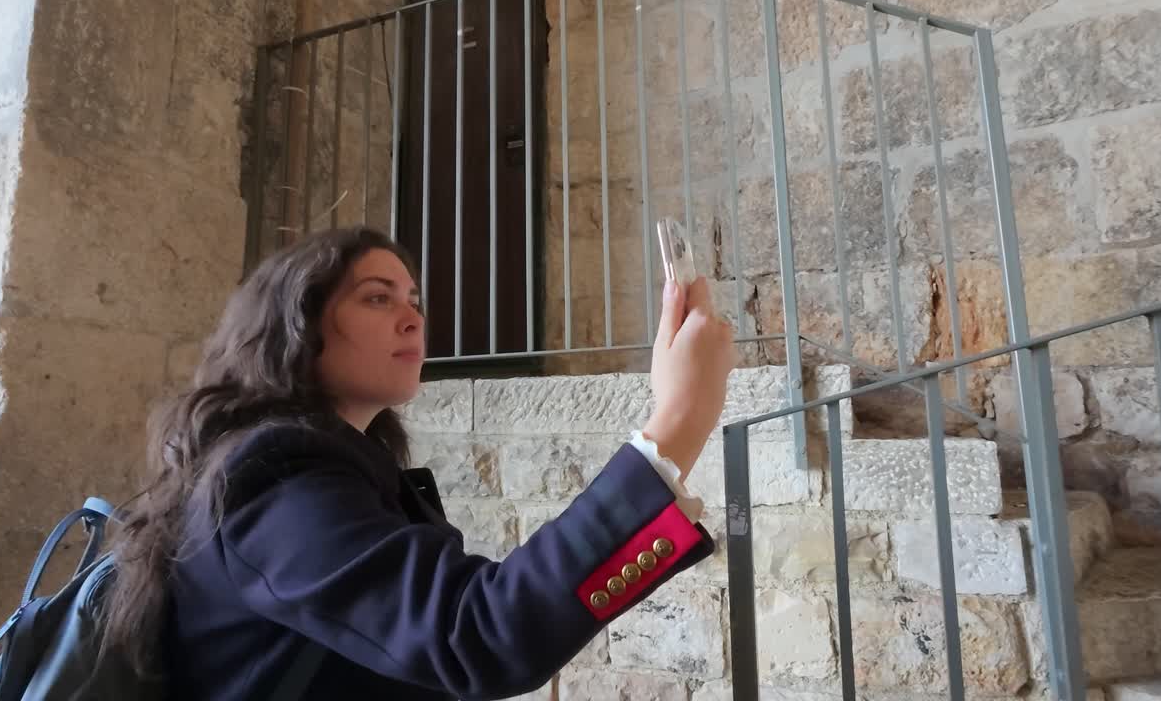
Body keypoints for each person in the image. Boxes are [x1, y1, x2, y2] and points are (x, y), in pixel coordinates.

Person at [101, 227, 738, 700]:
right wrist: (679, 419)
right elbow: (480, 633)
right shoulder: (270, 484)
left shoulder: (334, 468)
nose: (413, 318)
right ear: (296, 325)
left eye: (413, 299)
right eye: (378, 299)